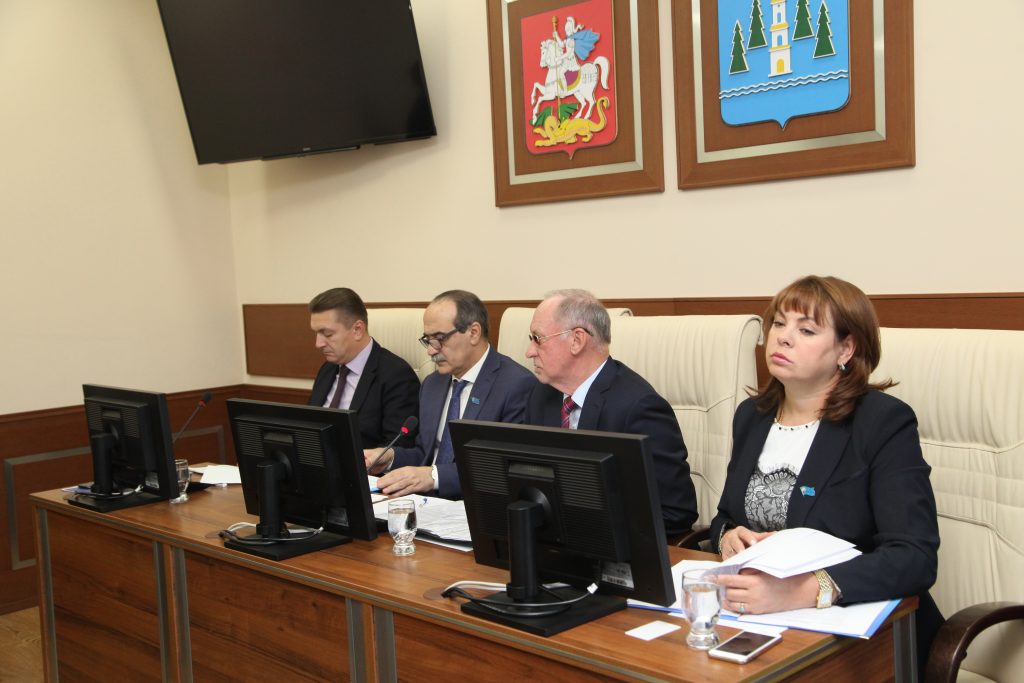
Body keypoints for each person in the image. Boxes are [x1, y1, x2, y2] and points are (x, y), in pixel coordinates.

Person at [709, 275, 941, 674]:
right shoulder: (752, 416)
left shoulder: (882, 422)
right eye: (778, 323)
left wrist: (800, 590)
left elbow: (914, 557)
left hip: (866, 639)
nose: (782, 338)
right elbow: (724, 517)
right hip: (764, 623)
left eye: (806, 330)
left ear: (846, 349)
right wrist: (728, 537)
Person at [522, 289, 698, 536]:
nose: (529, 351)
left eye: (537, 338)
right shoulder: (541, 396)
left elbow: (674, 512)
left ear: (577, 340)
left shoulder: (639, 407)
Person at [368, 290, 537, 499]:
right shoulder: (432, 384)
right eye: (428, 340)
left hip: (474, 505)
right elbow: (425, 454)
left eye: (440, 339)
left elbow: (500, 468)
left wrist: (434, 477)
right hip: (424, 503)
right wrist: (389, 457)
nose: (431, 350)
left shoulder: (515, 385)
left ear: (473, 332)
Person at [308, 287, 420, 449]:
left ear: (357, 330)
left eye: (328, 334)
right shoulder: (327, 369)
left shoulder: (396, 375)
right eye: (316, 334)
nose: (318, 344)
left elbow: (397, 445)